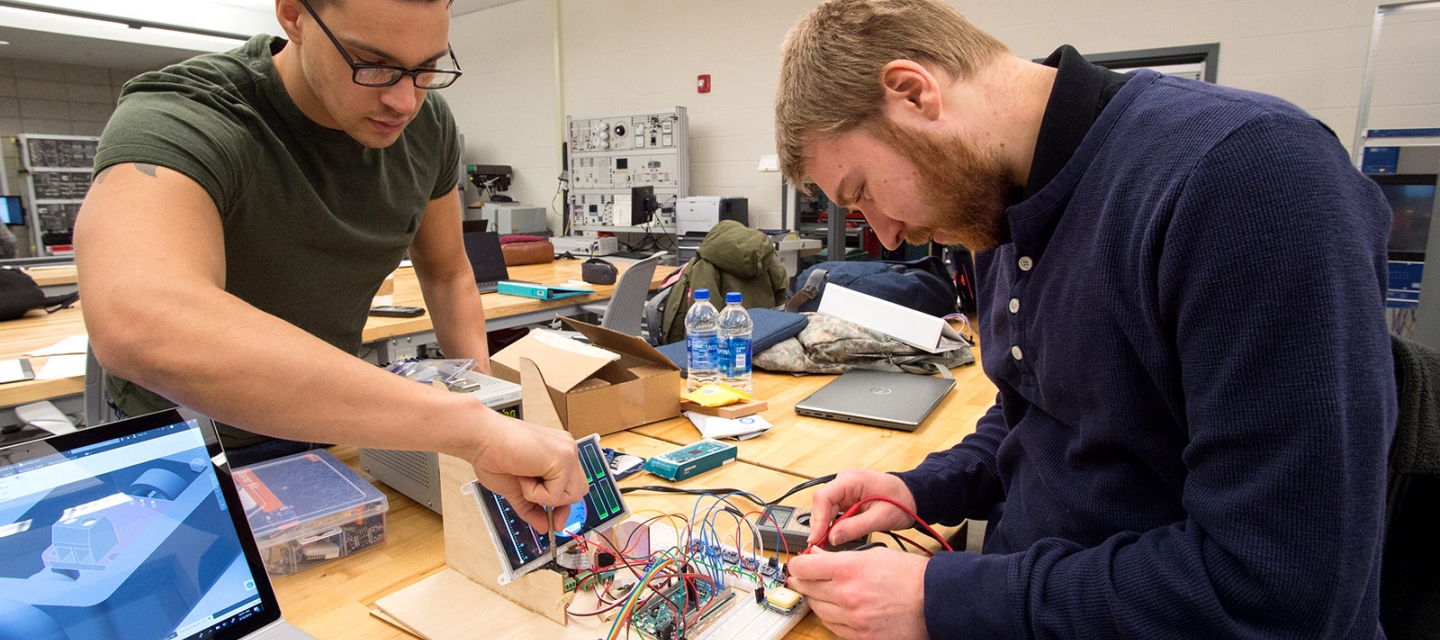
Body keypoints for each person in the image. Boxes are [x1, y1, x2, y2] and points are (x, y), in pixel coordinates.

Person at [775, 1, 1396, 638]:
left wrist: (949, 598)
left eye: (864, 193)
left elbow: (1278, 590)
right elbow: (1048, 409)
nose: (881, 235)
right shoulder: (996, 206)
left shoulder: (1247, 176)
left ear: (913, 92)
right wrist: (925, 488)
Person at [74, 0, 585, 533]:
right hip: (188, 444)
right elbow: (141, 321)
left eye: (427, 68)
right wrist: (469, 428)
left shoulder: (425, 125)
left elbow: (446, 272)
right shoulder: (190, 115)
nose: (403, 100)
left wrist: (485, 401)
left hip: (327, 416)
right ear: (293, 16)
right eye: (372, 65)